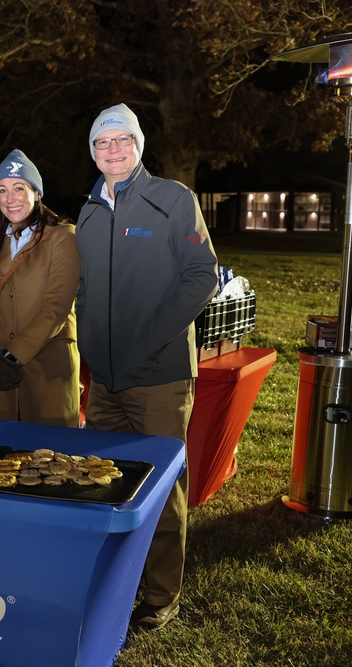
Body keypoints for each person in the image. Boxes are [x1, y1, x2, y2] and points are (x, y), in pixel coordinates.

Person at [75, 103, 219, 630]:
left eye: (122, 140)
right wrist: (90, 345)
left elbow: (202, 274)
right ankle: (114, 582)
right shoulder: (88, 211)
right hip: (107, 382)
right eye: (102, 142)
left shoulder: (172, 200)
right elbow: (85, 288)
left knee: (159, 487)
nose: (112, 150)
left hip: (160, 377)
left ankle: (160, 596)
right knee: (106, 484)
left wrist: (149, 337)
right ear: (92, 152)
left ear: (138, 145)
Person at [0, 150, 81, 427]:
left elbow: (55, 310)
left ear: (36, 193)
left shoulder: (62, 239)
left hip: (48, 375)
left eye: (19, 188)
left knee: (51, 462)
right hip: (0, 378)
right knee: (1, 461)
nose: (11, 198)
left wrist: (11, 357)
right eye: (3, 190)